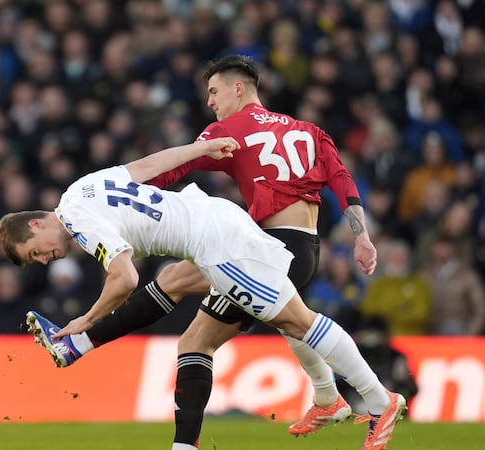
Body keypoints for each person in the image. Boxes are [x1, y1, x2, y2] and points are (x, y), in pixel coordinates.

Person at [28, 55, 384, 445]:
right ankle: (327, 397)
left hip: (267, 246)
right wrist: (361, 236)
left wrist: (129, 198)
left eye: (214, 92)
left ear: (238, 88)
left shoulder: (229, 129)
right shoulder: (309, 131)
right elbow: (341, 179)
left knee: (293, 323)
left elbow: (177, 166)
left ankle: (377, 400)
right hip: (299, 242)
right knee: (179, 285)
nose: (210, 101)